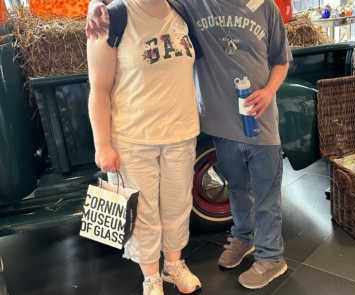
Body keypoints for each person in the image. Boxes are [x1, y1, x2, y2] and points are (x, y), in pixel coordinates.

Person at [86, 0, 292, 289]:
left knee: (188, 205)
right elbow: (99, 86)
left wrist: (269, 91)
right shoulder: (132, 15)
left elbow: (280, 58)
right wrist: (95, 4)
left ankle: (185, 264)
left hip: (208, 130)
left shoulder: (194, 10)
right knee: (150, 211)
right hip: (147, 135)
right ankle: (153, 278)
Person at [86, 0, 202, 294]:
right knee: (143, 214)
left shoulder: (183, 11)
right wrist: (102, 145)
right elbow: (98, 89)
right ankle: (151, 277)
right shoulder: (111, 18)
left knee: (178, 207)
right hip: (132, 139)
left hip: (181, 132)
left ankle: (173, 265)